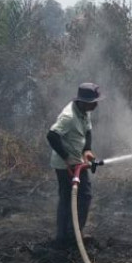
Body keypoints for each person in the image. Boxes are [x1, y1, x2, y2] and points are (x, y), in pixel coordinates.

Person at [47, 82, 100, 250]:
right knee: (73, 197)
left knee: (80, 197)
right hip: (65, 165)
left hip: (77, 161)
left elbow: (88, 131)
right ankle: (67, 236)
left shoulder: (84, 111)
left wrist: (87, 150)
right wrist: (67, 158)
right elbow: (52, 135)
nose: (96, 104)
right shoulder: (68, 117)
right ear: (83, 101)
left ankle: (72, 233)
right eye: (93, 102)